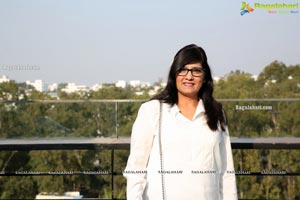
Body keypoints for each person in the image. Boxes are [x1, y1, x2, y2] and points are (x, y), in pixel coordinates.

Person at [124, 44, 238, 200]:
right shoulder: (152, 111)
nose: (189, 76)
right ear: (174, 74)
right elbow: (136, 166)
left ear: (205, 77)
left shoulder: (216, 113)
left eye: (196, 71)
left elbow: (226, 171)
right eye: (183, 70)